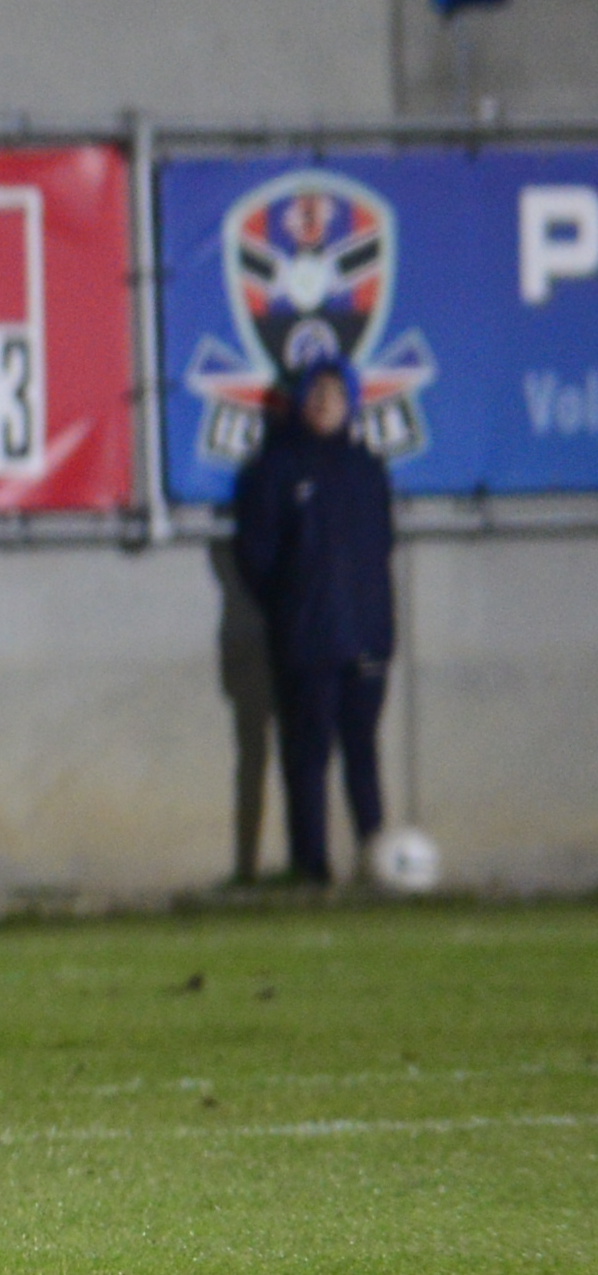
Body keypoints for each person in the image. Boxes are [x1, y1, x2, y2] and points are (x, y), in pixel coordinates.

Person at [229, 343, 399, 887]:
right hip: (308, 641)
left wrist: (376, 624)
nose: (326, 402)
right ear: (300, 401)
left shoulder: (367, 470)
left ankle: (378, 863)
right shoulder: (278, 468)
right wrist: (290, 609)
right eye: (317, 392)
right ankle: (311, 869)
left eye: (336, 393)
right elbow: (254, 553)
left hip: (366, 638)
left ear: (352, 403)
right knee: (306, 760)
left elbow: (381, 549)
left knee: (363, 756)